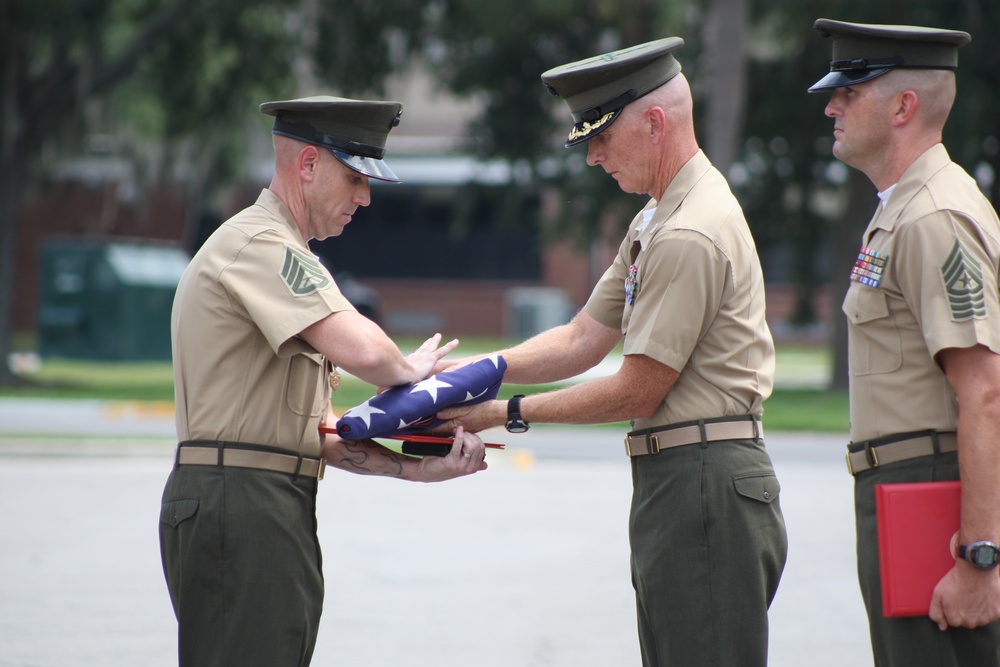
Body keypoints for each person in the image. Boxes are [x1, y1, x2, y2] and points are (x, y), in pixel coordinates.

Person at [437, 38, 787, 666]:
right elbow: (581, 338)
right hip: (682, 480)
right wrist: (483, 371)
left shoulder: (687, 230)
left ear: (655, 124)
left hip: (705, 482)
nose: (593, 157)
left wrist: (502, 412)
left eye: (601, 137)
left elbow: (637, 389)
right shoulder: (658, 217)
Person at [159, 95, 488, 667]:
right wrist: (409, 372)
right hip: (242, 501)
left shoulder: (277, 250)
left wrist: (414, 469)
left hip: (263, 497)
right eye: (355, 176)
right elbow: (365, 350)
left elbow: (305, 433)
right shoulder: (264, 245)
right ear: (308, 165)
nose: (364, 197)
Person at [808, 18, 1000, 666]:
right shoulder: (904, 208)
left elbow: (984, 391)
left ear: (902, 106)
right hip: (905, 491)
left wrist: (979, 556)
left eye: (849, 91)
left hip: (934, 495)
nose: (831, 104)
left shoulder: (933, 216)